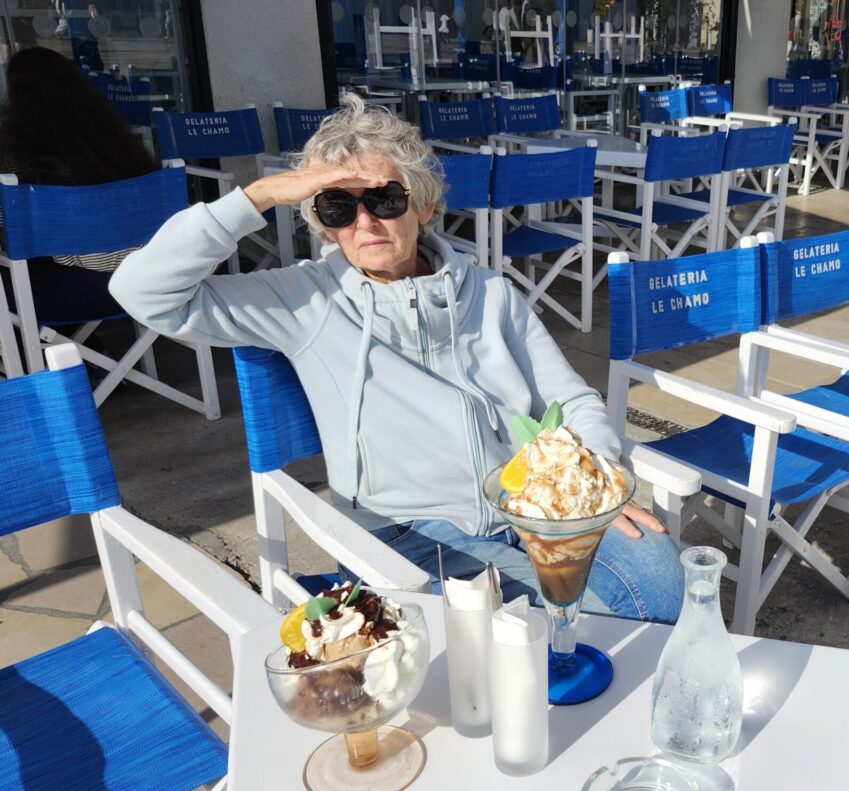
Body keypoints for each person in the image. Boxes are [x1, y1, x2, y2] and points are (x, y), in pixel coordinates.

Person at [109, 94, 687, 623]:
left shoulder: (489, 292)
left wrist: (598, 482)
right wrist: (257, 196)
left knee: (659, 578)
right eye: (337, 207)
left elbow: (572, 400)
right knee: (537, 629)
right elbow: (142, 292)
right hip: (411, 533)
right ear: (322, 223)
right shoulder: (302, 300)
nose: (365, 221)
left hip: (534, 501)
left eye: (384, 199)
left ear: (425, 204)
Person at [0, 47, 159, 322]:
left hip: (61, 293)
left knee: (22, 262)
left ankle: (59, 355)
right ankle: (86, 354)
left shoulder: (16, 161)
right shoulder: (116, 143)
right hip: (146, 278)